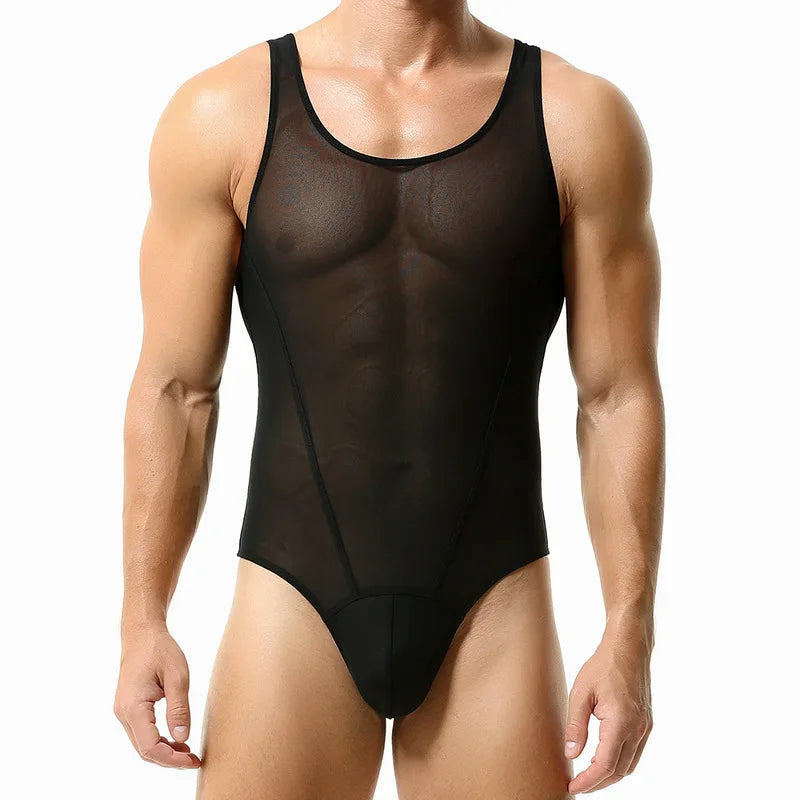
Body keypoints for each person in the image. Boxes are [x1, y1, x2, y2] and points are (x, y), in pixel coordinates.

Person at [113, 2, 664, 798]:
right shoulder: (224, 112)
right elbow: (177, 388)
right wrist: (142, 618)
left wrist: (629, 630)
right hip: (290, 601)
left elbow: (616, 395)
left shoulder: (579, 119)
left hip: (494, 610)